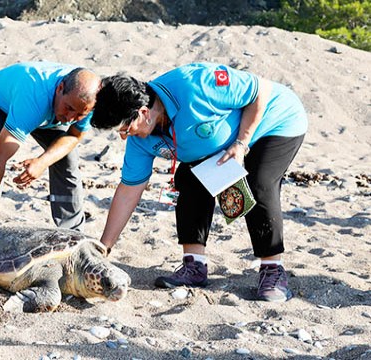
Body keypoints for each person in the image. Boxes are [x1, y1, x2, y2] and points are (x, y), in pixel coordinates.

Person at [91, 63, 308, 302]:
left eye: (125, 128)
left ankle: (272, 270)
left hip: (275, 120)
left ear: (143, 112)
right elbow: (128, 191)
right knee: (188, 179)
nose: (124, 135)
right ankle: (194, 266)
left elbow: (261, 90)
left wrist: (242, 144)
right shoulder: (139, 140)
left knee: (259, 182)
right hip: (218, 145)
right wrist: (104, 248)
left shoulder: (197, 84)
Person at [0, 62, 102, 235]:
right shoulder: (33, 97)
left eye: (79, 115)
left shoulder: (87, 102)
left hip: (47, 115)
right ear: (60, 88)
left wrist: (42, 162)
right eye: (69, 108)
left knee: (67, 158)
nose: (70, 118)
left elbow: (74, 136)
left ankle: (73, 234)